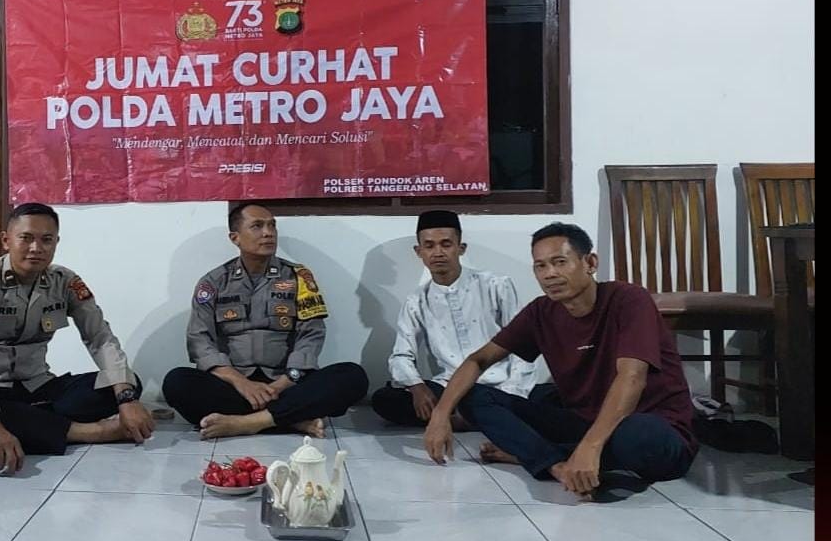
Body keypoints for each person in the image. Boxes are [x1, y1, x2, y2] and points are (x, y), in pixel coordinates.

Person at [422, 223, 698, 497]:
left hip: (651, 428)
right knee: (474, 396)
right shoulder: (541, 312)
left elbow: (632, 377)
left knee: (637, 434)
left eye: (559, 262)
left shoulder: (628, 299)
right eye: (540, 266)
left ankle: (538, 454)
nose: (550, 274)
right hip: (584, 424)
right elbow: (478, 360)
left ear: (590, 263)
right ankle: (555, 464)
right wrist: (440, 414)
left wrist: (590, 446)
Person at [0, 202, 154, 473]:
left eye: (46, 240)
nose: (36, 248)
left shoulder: (65, 282)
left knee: (125, 382)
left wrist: (127, 399)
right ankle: (93, 432)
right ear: (6, 240)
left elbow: (100, 337)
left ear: (56, 243)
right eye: (26, 238)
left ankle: (29, 427)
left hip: (38, 388)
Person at [162, 203, 368, 439]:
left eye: (272, 226)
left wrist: (284, 382)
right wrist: (242, 383)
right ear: (235, 238)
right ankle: (291, 419)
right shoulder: (213, 282)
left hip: (288, 383)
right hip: (233, 385)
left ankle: (248, 422)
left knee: (352, 377)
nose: (268, 233)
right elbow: (199, 340)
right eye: (257, 226)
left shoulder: (299, 277)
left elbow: (311, 335)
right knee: (177, 382)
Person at [372, 210, 540, 429]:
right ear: (419, 251)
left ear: (461, 248)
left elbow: (523, 347)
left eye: (446, 244)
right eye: (429, 246)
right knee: (385, 399)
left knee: (553, 400)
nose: (438, 253)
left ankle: (466, 418)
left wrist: (513, 394)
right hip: (450, 388)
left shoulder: (496, 285)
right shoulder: (417, 300)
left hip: (500, 385)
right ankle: (474, 418)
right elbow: (401, 355)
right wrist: (417, 387)